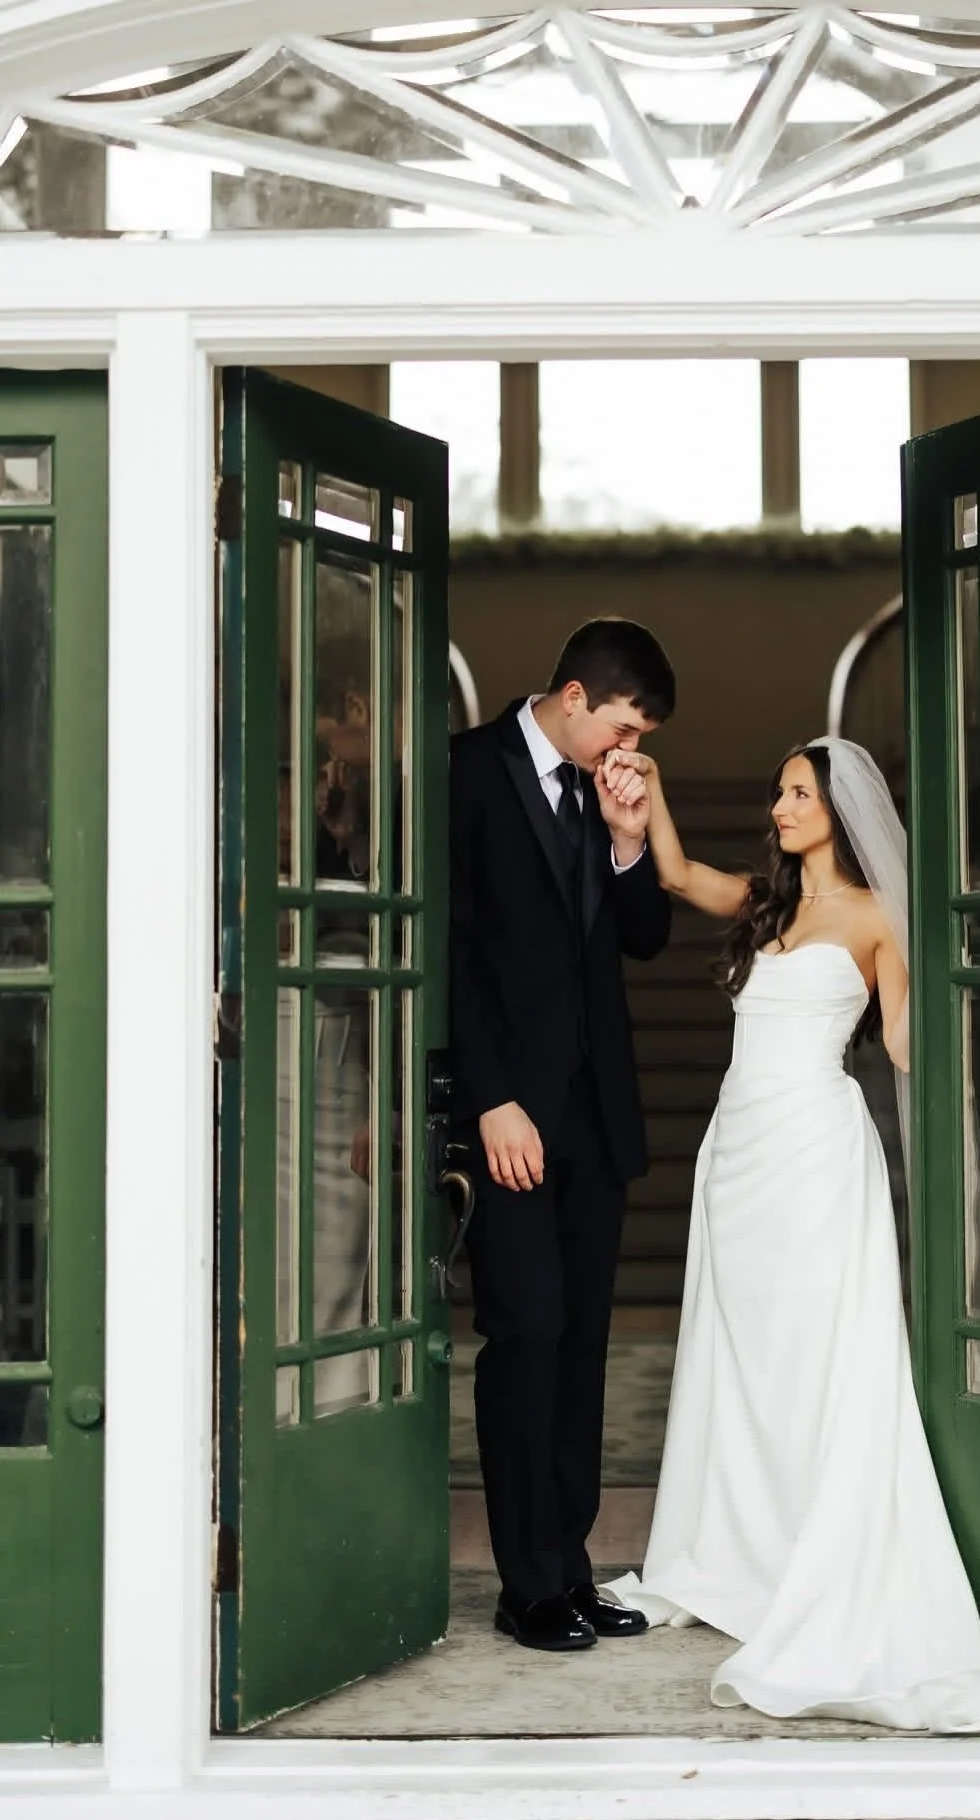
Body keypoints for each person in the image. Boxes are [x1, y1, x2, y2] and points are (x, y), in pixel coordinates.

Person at [597, 737, 980, 1733]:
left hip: (820, 1157)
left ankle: (818, 1554)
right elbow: (673, 873)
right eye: (778, 789)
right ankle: (746, 1548)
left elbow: (910, 1042)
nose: (780, 805)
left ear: (839, 807)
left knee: (822, 1351)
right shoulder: (766, 902)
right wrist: (651, 789)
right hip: (735, 1154)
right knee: (744, 1356)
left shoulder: (878, 919)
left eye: (797, 791)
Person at [449, 618, 675, 1653]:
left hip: (596, 1114)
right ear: (575, 695)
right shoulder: (466, 770)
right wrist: (487, 1094)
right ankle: (525, 1581)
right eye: (623, 727)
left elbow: (644, 937)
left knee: (584, 1345)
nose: (629, 751)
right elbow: (445, 945)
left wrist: (631, 841)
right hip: (510, 1115)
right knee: (525, 1334)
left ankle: (572, 1568)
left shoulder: (607, 790)